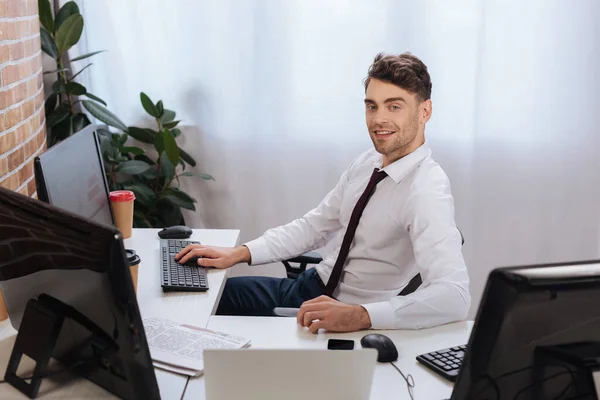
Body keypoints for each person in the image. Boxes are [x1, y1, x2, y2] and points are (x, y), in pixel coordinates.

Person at [176, 52, 470, 333]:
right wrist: (239, 253)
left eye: (394, 106)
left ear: (425, 111)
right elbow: (315, 226)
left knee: (202, 315)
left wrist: (362, 315)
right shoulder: (368, 162)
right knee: (198, 295)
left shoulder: (426, 191)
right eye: (372, 106)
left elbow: (455, 296)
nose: (378, 119)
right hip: (307, 287)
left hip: (340, 316)